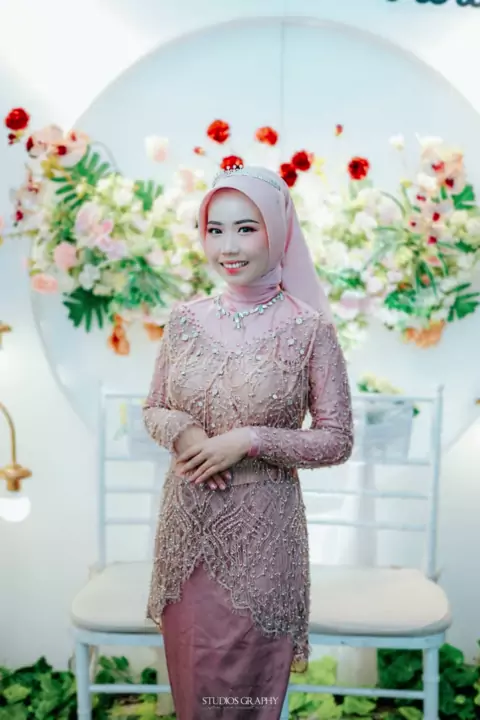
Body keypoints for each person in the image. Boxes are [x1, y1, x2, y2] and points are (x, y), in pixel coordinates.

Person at [143, 165, 354, 719]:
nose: (228, 247)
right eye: (215, 230)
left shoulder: (310, 329)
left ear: (277, 232)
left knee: (247, 695)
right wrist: (183, 430)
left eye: (245, 228)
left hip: (263, 539)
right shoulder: (184, 320)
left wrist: (249, 440)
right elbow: (153, 408)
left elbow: (336, 439)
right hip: (186, 537)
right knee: (194, 691)